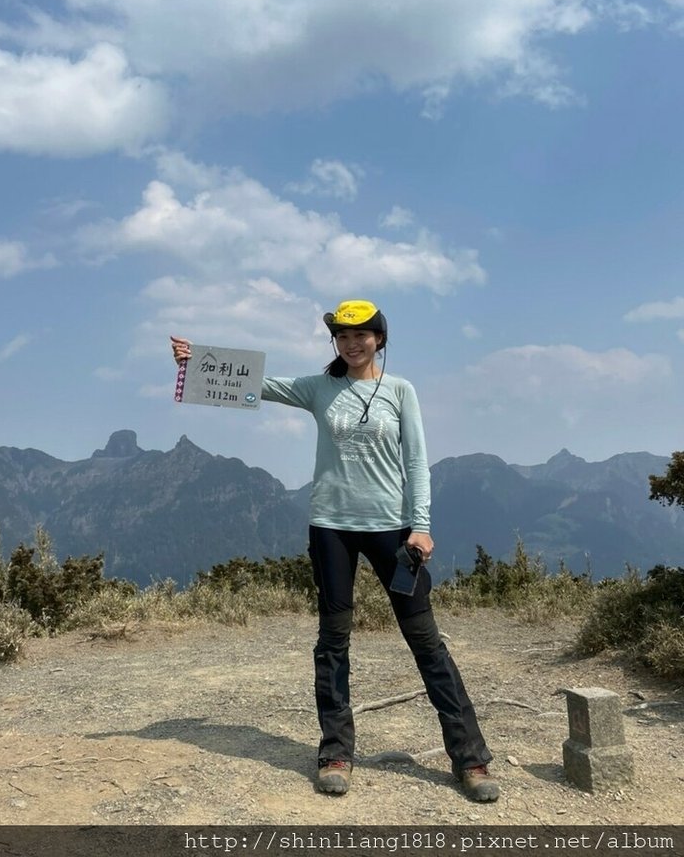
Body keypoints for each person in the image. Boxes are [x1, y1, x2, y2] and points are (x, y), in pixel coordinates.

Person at [170, 299, 498, 802]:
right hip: (331, 529)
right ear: (336, 344)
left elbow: (418, 463)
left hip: (393, 530)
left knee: (427, 643)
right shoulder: (319, 388)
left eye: (362, 335)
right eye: (343, 336)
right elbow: (259, 383)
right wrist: (196, 362)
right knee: (333, 643)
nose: (352, 343)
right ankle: (336, 753)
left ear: (379, 339)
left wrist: (422, 527)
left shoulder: (400, 391)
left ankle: (471, 759)